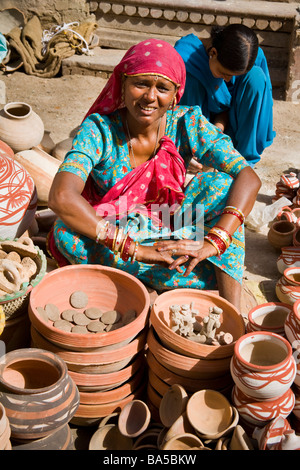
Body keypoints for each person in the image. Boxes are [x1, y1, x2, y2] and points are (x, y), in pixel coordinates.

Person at [47, 38, 261, 310]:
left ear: (175, 96)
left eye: (162, 88)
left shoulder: (187, 121)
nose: (150, 96)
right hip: (120, 227)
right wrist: (137, 251)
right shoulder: (99, 129)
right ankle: (192, 274)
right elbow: (61, 196)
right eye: (140, 84)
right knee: (65, 232)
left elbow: (247, 176)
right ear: (122, 85)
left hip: (172, 219)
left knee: (222, 185)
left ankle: (232, 310)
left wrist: (214, 241)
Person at [174, 24, 275, 167]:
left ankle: (243, 157)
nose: (227, 80)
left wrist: (218, 129)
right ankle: (193, 147)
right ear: (213, 53)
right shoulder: (185, 57)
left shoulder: (251, 57)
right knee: (192, 80)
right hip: (201, 128)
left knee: (256, 78)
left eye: (233, 76)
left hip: (236, 128)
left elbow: (234, 103)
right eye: (224, 73)